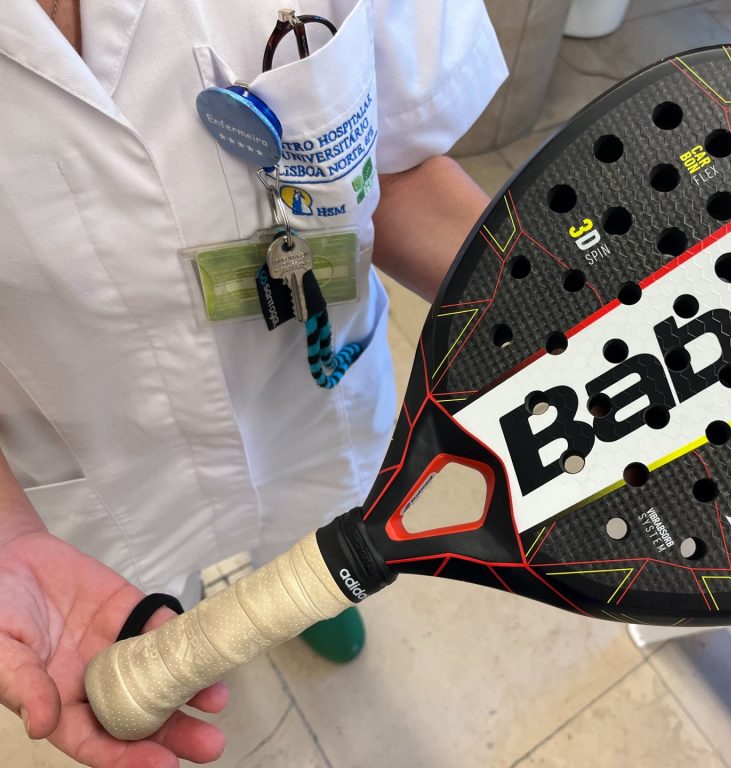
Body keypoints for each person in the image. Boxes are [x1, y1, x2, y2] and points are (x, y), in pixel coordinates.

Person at [0, 0, 507, 765]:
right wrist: (8, 536)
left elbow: (394, 167)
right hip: (85, 477)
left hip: (308, 404)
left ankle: (294, 599)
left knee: (314, 530)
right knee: (147, 611)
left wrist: (545, 306)